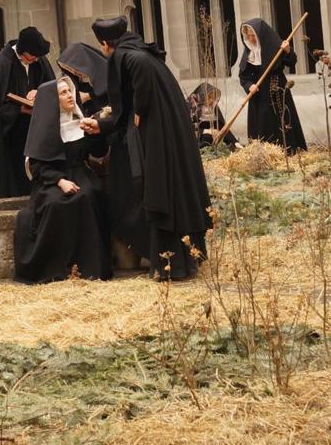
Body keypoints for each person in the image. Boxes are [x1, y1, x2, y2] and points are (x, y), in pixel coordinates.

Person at [84, 16, 211, 280]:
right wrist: (106, 126)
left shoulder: (127, 58)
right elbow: (130, 111)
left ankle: (169, 264)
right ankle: (176, 260)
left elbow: (132, 108)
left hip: (156, 141)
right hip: (168, 137)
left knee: (153, 192)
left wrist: (130, 116)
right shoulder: (143, 55)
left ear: (106, 44)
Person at [13, 77, 111, 283]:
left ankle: (89, 268)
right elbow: (38, 166)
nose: (70, 95)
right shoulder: (46, 128)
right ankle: (56, 267)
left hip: (80, 173)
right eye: (64, 93)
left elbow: (97, 152)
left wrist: (95, 133)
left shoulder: (80, 121)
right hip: (52, 179)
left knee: (88, 196)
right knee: (55, 203)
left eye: (70, 91)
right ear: (53, 100)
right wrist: (60, 181)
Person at [0, 26, 55, 200]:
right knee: (15, 179)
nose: (35, 60)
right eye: (32, 56)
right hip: (11, 137)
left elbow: (53, 87)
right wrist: (21, 108)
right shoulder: (0, 66)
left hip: (35, 132)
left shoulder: (39, 61)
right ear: (22, 51)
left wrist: (40, 92)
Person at [238, 18, 307, 153]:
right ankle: (265, 154)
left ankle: (287, 152)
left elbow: (291, 62)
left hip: (277, 91)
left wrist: (288, 51)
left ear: (260, 35)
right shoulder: (249, 53)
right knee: (262, 124)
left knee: (281, 121)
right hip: (258, 95)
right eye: (248, 36)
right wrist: (249, 86)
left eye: (253, 35)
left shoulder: (276, 47)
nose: (251, 39)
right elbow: (243, 77)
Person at [57, 40, 110, 113]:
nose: (72, 72)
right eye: (68, 69)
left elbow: (107, 89)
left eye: (72, 68)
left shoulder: (103, 69)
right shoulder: (73, 76)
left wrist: (88, 95)